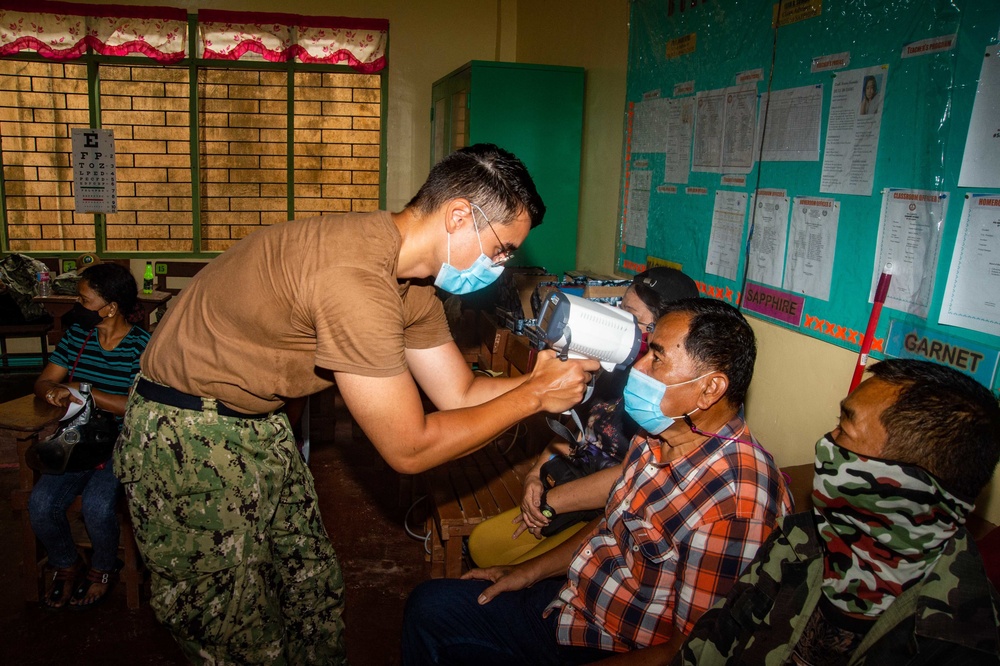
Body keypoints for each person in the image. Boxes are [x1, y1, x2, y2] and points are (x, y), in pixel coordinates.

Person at [114, 143, 599, 665]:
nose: (501, 267)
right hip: (184, 433)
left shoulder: (413, 285)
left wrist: (545, 378)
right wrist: (532, 395)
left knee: (310, 586)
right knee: (231, 627)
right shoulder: (355, 278)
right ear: (460, 215)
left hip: (257, 423)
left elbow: (459, 395)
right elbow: (409, 449)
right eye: (501, 249)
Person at [402, 298, 793, 665]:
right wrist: (528, 571)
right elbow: (612, 524)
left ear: (710, 389)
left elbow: (688, 652)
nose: (637, 369)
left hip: (613, 645)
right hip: (573, 603)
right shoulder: (657, 436)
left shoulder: (738, 505)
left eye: (656, 358)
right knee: (429, 607)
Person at [672, 358, 1000, 666]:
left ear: (903, 485)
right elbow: (710, 645)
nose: (825, 443)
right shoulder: (800, 541)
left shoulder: (959, 643)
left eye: (845, 431)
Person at [468, 267, 700, 568]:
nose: (616, 320)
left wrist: (553, 503)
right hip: (567, 487)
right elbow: (577, 432)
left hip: (611, 511)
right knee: (482, 544)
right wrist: (535, 476)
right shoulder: (611, 370)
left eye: (630, 316)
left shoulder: (668, 396)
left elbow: (635, 473)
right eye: (619, 308)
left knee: (516, 569)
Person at [30, 263, 150, 609]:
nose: (77, 306)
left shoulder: (140, 347)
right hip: (79, 440)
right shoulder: (78, 337)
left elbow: (135, 405)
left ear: (110, 306)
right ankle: (66, 564)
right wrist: (52, 391)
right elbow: (43, 381)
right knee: (40, 505)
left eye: (84, 299)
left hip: (118, 445)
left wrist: (85, 391)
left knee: (98, 507)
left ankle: (103, 568)